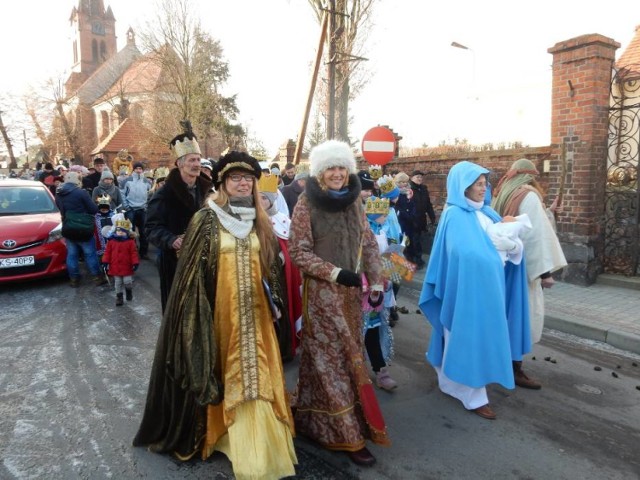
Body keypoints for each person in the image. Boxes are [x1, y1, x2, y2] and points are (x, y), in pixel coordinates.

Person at [134, 150, 297, 479]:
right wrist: (197, 317)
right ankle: (224, 434)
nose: (242, 183)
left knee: (259, 374)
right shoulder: (206, 219)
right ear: (222, 183)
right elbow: (191, 278)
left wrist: (275, 297)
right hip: (221, 316)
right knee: (227, 373)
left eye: (248, 179)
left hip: (258, 316)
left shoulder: (259, 221)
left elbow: (271, 267)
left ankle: (263, 445)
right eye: (235, 178)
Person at [289, 139, 390, 467]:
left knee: (349, 357)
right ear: (320, 171)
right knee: (329, 359)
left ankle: (314, 418)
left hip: (352, 296)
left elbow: (369, 243)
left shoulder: (354, 201)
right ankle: (347, 436)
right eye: (330, 168)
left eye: (341, 167)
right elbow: (298, 251)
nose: (337, 173)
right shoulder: (307, 202)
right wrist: (335, 273)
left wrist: (375, 280)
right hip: (322, 296)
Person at [418, 161, 531, 420]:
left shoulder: (489, 213)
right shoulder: (454, 215)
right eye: (477, 184)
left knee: (476, 338)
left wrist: (513, 248)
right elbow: (462, 254)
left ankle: (452, 382)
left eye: (484, 183)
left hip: (491, 290)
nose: (483, 188)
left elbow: (512, 246)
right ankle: (472, 395)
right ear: (463, 187)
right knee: (465, 338)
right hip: (464, 292)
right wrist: (495, 252)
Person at [492, 158, 568, 388]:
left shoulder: (502, 191)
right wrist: (544, 272)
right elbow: (536, 236)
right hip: (521, 269)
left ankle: (497, 361)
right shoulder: (529, 194)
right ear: (530, 176)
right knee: (520, 317)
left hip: (501, 266)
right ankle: (514, 368)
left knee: (503, 315)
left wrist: (550, 212)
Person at [145, 124, 213, 313]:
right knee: (180, 310)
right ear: (179, 163)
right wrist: (171, 239)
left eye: (198, 159)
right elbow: (151, 228)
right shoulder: (164, 194)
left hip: (206, 258)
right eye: (192, 160)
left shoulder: (209, 190)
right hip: (176, 262)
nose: (196, 164)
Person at [258, 173, 301, 362]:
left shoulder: (283, 220)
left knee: (281, 309)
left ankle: (283, 349)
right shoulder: (251, 220)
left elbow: (293, 246)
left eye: (263, 198)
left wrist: (284, 256)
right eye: (256, 197)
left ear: (271, 200)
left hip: (281, 276)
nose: (259, 201)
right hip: (261, 273)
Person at [55, 172, 107, 288]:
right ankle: (97, 277)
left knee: (72, 254)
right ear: (77, 180)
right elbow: (93, 210)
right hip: (83, 227)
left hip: (68, 226)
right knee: (90, 253)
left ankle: (74, 279)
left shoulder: (59, 193)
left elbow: (60, 208)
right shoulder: (81, 192)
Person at [101, 216, 140, 306]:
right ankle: (119, 297)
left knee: (127, 282)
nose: (120, 232)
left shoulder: (130, 242)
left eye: (122, 231)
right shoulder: (111, 242)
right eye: (118, 231)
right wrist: (105, 261)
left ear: (126, 232)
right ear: (115, 231)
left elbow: (133, 253)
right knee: (117, 283)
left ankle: (128, 290)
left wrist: (135, 262)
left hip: (126, 267)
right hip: (115, 267)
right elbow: (107, 252)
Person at [121, 161, 152, 259]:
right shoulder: (127, 181)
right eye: (137, 169)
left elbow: (150, 194)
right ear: (133, 169)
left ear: (142, 170)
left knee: (144, 232)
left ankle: (144, 252)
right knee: (131, 231)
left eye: (140, 169)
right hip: (131, 209)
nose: (138, 170)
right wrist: (126, 206)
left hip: (143, 209)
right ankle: (132, 251)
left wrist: (146, 206)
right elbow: (122, 194)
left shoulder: (147, 182)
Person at [409, 170, 436, 268]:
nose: (420, 179)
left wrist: (432, 217)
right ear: (412, 178)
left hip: (421, 218)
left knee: (419, 239)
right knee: (414, 240)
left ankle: (417, 258)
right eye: (417, 177)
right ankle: (415, 260)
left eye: (421, 177)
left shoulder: (424, 189)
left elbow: (428, 204)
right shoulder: (409, 189)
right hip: (411, 219)